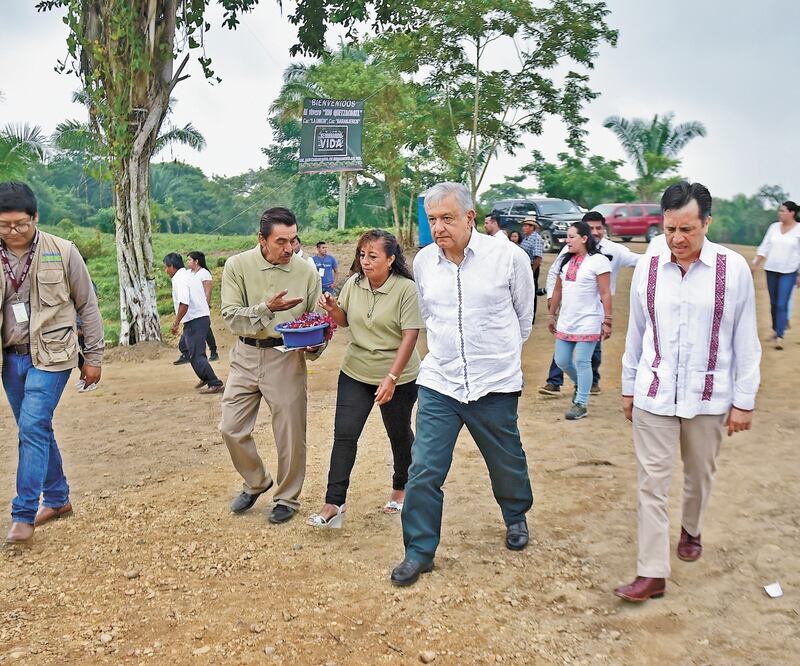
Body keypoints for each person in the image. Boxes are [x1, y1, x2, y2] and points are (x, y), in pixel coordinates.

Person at [615, 181, 760, 602]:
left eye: (688, 230)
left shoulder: (732, 269)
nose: (677, 240)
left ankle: (691, 528)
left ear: (707, 223)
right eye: (669, 229)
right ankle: (652, 573)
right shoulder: (649, 265)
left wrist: (743, 401)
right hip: (654, 393)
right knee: (651, 483)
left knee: (699, 475)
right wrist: (629, 388)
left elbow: (745, 340)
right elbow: (637, 334)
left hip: (709, 396)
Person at [390, 182, 535, 587]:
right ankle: (419, 552)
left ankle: (515, 514)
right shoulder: (422, 263)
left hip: (494, 382)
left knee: (505, 460)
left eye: (448, 218)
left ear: (471, 217)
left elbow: (524, 319)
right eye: (433, 219)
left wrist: (496, 357)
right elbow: (428, 317)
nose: (439, 227)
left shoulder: (508, 257)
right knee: (423, 468)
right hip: (441, 382)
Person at [0, 182, 104, 544]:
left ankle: (23, 514)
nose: (13, 231)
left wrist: (93, 357)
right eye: (4, 225)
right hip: (9, 360)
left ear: (35, 218)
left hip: (54, 356)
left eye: (20, 224)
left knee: (31, 426)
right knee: (36, 429)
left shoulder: (63, 251)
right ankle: (58, 499)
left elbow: (87, 306)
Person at [307, 230, 423, 528]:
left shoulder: (405, 289)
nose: (365, 261)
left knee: (398, 432)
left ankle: (401, 487)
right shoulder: (354, 284)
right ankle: (334, 502)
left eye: (373, 256)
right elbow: (345, 320)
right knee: (345, 434)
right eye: (362, 255)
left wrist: (392, 377)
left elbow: (410, 335)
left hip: (398, 375)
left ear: (391, 259)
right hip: (356, 371)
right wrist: (334, 309)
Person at [220, 207, 323, 525]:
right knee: (231, 428)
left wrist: (316, 343)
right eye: (281, 241)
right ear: (261, 239)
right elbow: (231, 316)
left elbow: (316, 321)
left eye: (293, 240)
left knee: (291, 432)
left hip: (286, 358)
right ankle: (256, 481)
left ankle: (287, 498)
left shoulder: (306, 271)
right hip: (246, 355)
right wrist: (268, 308)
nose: (289, 248)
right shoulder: (237, 266)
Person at [539, 211, 641, 396]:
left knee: (589, 354)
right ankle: (559, 381)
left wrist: (666, 257)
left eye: (599, 228)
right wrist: (551, 304)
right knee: (562, 354)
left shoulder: (611, 250)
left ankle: (587, 388)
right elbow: (555, 274)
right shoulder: (569, 251)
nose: (595, 231)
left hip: (595, 310)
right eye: (591, 227)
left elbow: (637, 260)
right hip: (570, 308)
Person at [546, 220, 612, 420]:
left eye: (572, 237)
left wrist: (607, 320)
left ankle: (581, 403)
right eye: (567, 236)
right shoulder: (565, 260)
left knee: (583, 361)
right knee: (562, 360)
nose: (568, 240)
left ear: (584, 238)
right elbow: (557, 289)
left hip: (589, 319)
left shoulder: (598, 261)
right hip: (567, 319)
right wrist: (551, 314)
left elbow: (605, 292)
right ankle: (581, 384)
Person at [163, 253, 224, 394]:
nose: (166, 271)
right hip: (199, 318)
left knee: (196, 355)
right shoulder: (188, 275)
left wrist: (175, 323)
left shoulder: (180, 280)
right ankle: (204, 373)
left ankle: (214, 382)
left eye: (166, 267)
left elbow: (184, 303)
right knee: (184, 346)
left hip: (195, 320)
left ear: (172, 267)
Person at [751, 201, 800, 349]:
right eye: (779, 211)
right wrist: (755, 263)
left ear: (792, 213)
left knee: (781, 303)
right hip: (771, 269)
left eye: (783, 211)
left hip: (789, 271)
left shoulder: (798, 230)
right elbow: (765, 247)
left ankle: (780, 336)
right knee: (773, 303)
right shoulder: (773, 227)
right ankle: (776, 328)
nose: (780, 213)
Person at [186, 251, 219, 362]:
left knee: (206, 329)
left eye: (189, 260)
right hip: (191, 307)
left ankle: (213, 351)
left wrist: (206, 305)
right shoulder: (188, 273)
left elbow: (208, 291)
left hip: (201, 307)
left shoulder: (204, 273)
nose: (187, 262)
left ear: (196, 261)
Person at [520, 216, 544, 321]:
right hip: (525, 267)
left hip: (531, 267)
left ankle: (531, 316)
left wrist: (532, 271)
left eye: (526, 226)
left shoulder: (536, 238)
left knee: (531, 291)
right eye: (524, 225)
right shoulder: (526, 238)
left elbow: (538, 257)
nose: (524, 228)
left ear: (531, 227)